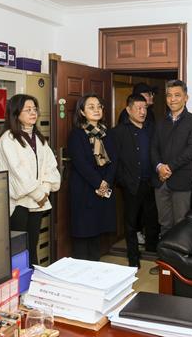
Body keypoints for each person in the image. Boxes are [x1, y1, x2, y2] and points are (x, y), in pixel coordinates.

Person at [0, 94, 60, 266]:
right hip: (18, 203)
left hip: (37, 201)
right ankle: (20, 281)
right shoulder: (8, 139)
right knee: (18, 249)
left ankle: (32, 278)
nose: (33, 113)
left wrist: (45, 190)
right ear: (16, 113)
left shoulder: (39, 138)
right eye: (28, 110)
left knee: (32, 245)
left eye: (35, 109)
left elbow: (50, 167)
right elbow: (18, 172)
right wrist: (39, 194)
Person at [112, 94, 160, 269]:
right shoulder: (118, 132)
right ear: (128, 109)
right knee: (131, 222)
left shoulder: (152, 129)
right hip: (131, 184)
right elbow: (114, 160)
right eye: (138, 108)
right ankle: (133, 258)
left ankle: (152, 253)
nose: (142, 112)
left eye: (145, 108)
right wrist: (122, 180)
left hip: (151, 182)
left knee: (152, 220)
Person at [68, 94, 117, 261]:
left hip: (102, 190)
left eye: (99, 106)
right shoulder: (77, 134)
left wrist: (106, 183)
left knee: (97, 232)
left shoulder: (107, 133)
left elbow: (114, 160)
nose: (96, 110)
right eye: (91, 107)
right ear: (82, 112)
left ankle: (95, 267)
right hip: (84, 189)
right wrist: (98, 183)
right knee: (83, 233)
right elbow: (80, 163)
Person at [151, 79, 192, 236]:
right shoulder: (160, 122)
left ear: (186, 98)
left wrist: (169, 167)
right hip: (160, 182)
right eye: (169, 95)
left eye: (177, 95)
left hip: (181, 181)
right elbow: (153, 148)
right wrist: (159, 167)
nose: (172, 99)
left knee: (181, 224)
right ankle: (164, 253)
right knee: (164, 223)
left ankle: (178, 254)